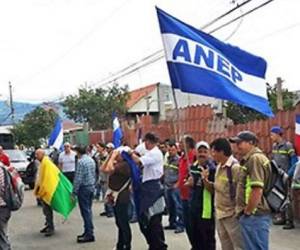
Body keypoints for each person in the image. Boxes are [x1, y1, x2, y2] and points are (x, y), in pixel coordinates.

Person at [230, 131, 272, 250]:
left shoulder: (255, 159)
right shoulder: (250, 159)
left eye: (240, 142)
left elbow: (257, 189)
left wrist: (248, 211)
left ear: (251, 143)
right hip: (253, 214)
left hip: (255, 215)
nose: (237, 146)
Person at [130, 132, 168, 250]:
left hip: (154, 188)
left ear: (148, 141)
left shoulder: (155, 153)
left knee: (154, 220)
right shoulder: (148, 151)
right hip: (146, 187)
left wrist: (129, 153)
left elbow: (138, 161)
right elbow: (138, 151)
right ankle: (153, 244)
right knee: (145, 220)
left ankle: (159, 246)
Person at [210, 138, 243, 250]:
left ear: (222, 152)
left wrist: (238, 211)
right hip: (220, 214)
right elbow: (216, 188)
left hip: (232, 215)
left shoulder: (235, 168)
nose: (212, 154)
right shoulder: (219, 166)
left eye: (214, 151)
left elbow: (241, 192)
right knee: (225, 245)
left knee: (238, 245)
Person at [185, 141, 216, 250]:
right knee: (195, 235)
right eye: (200, 151)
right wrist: (189, 183)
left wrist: (204, 179)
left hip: (206, 209)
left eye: (204, 151)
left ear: (209, 153)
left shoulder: (212, 168)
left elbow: (213, 189)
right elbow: (188, 181)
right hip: (194, 206)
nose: (202, 154)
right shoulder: (193, 167)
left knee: (207, 238)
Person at [102, 149, 132, 250]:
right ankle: (121, 243)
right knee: (119, 222)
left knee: (123, 222)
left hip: (122, 196)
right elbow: (103, 168)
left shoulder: (124, 165)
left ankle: (127, 245)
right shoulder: (118, 164)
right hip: (115, 196)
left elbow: (108, 169)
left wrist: (113, 156)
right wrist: (109, 157)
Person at [270, 126, 298, 229]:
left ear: (278, 134)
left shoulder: (288, 146)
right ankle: (281, 217)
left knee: (288, 198)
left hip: (286, 176)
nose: (271, 137)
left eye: (272, 134)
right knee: (279, 196)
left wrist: (289, 174)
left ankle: (289, 221)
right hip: (277, 176)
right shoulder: (274, 146)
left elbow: (294, 162)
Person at [72, 145, 96, 243]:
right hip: (91, 186)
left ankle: (89, 233)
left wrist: (74, 191)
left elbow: (78, 178)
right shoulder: (91, 160)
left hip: (84, 188)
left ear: (78, 152)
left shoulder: (81, 162)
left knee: (85, 212)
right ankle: (88, 231)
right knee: (88, 210)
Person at [176, 135, 196, 246]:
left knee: (194, 225)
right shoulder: (183, 158)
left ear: (188, 144)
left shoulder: (194, 157)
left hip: (192, 196)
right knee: (187, 224)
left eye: (181, 142)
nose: (179, 145)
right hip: (183, 195)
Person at [164, 143, 184, 234]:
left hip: (175, 186)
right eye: (169, 150)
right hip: (167, 185)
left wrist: (177, 183)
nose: (171, 152)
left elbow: (181, 173)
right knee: (170, 206)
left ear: (176, 150)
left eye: (172, 150)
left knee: (178, 206)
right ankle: (172, 223)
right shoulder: (168, 159)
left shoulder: (179, 160)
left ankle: (180, 225)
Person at [34, 149, 55, 237]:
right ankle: (48, 225)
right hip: (43, 190)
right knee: (45, 210)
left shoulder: (46, 162)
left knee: (47, 209)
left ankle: (50, 227)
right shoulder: (43, 162)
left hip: (46, 191)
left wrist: (42, 190)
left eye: (37, 154)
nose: (36, 156)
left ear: (42, 154)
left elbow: (48, 178)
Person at [97, 142, 114, 217]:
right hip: (102, 176)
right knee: (104, 193)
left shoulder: (107, 157)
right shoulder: (98, 156)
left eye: (98, 147)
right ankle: (106, 209)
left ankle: (110, 210)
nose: (97, 149)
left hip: (108, 177)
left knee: (108, 194)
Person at [0, 162, 12, 249]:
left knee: (2, 237)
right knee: (3, 233)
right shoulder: (2, 166)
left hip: (1, 206)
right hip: (5, 206)